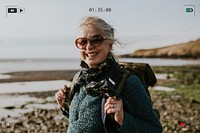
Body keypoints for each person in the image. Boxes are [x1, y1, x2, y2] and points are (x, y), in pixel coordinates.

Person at [55, 16, 162, 133]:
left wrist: (122, 119)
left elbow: (154, 129)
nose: (89, 47)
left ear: (110, 45)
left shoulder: (127, 82)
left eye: (96, 40)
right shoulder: (79, 79)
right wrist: (64, 106)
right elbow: (81, 124)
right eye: (82, 41)